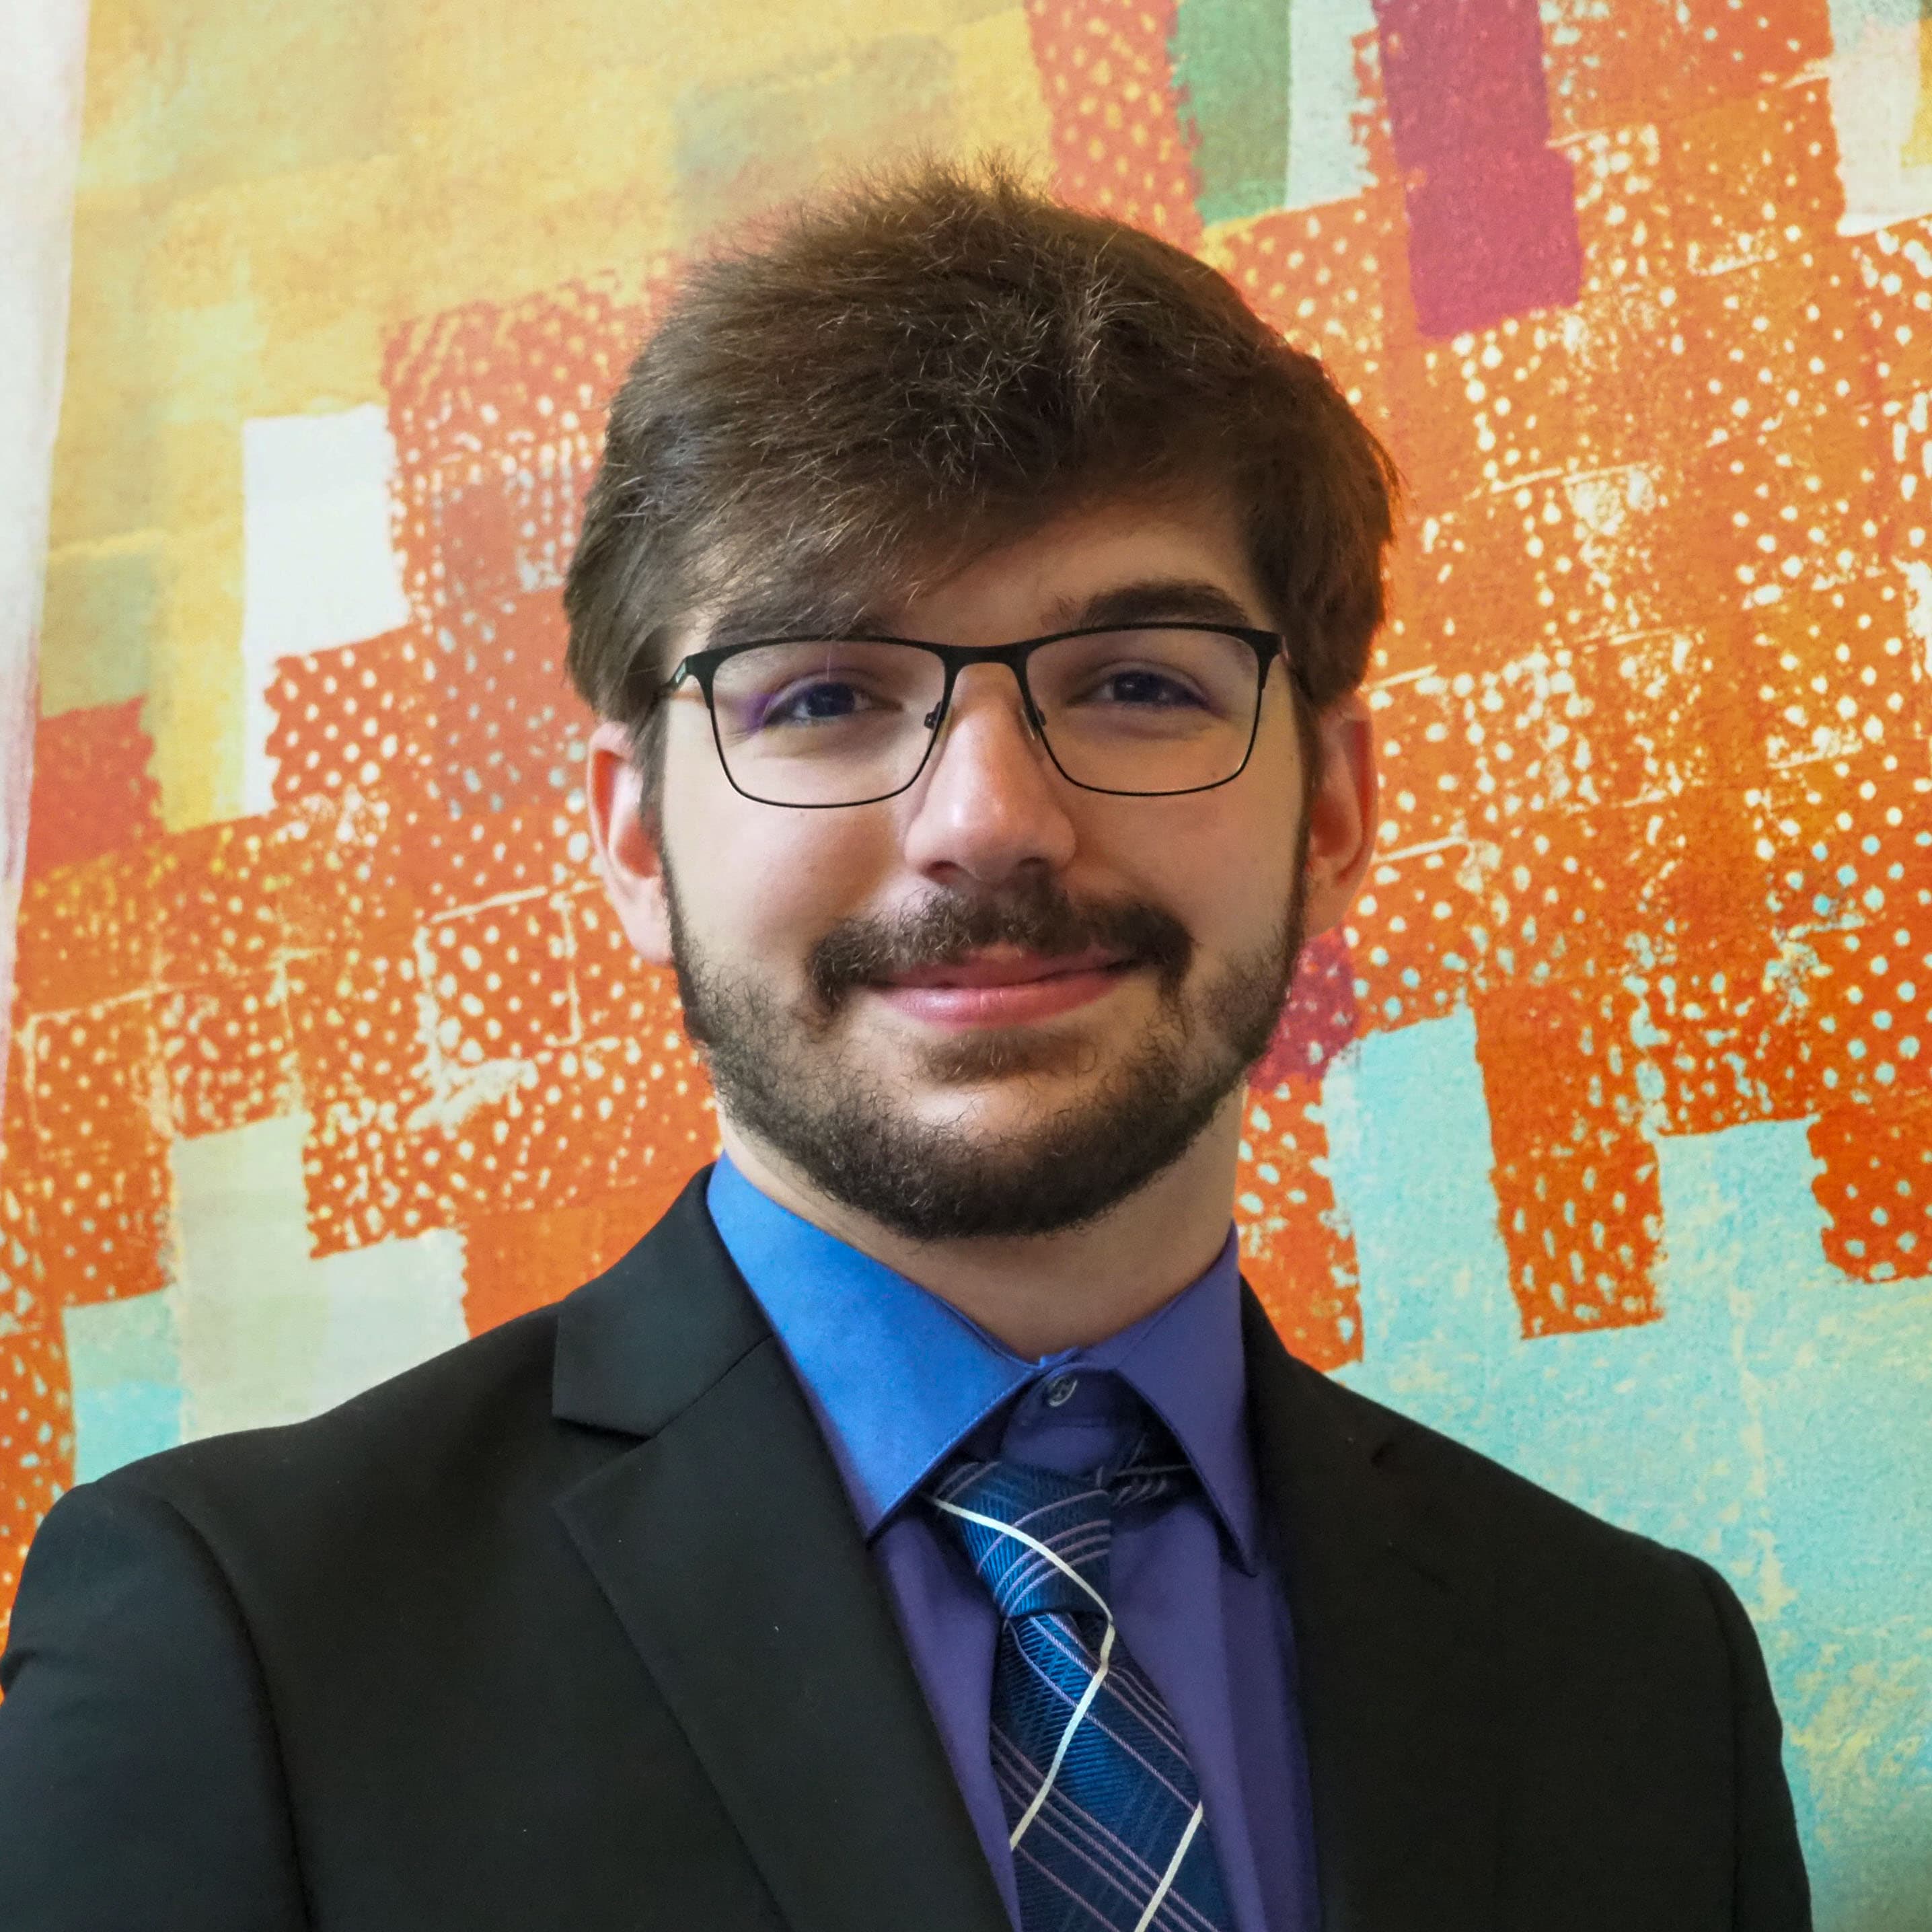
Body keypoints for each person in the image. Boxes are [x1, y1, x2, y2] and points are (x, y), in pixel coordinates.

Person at [0, 161, 1810, 1932]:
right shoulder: (239, 1640)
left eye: (1139, 681)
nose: (990, 819)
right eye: (823, 696)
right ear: (637, 843)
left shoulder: (1644, 1678)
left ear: (1331, 812)